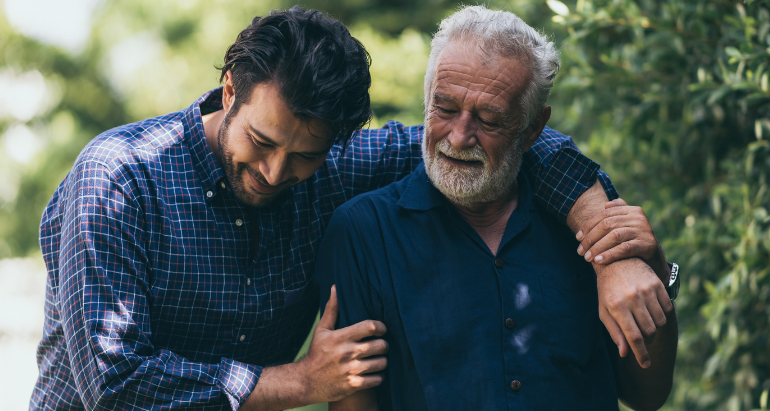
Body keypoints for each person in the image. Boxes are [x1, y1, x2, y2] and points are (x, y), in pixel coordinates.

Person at [31, 6, 671, 411]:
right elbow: (115, 387)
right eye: (261, 141)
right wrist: (304, 383)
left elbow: (519, 144)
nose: (276, 173)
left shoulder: (337, 167)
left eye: (304, 155)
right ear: (230, 89)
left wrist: (609, 245)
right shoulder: (117, 180)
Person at [315, 6, 678, 411]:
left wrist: (653, 271)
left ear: (534, 128)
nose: (459, 136)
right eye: (445, 109)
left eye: (489, 119)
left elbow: (646, 396)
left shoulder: (588, 225)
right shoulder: (364, 231)